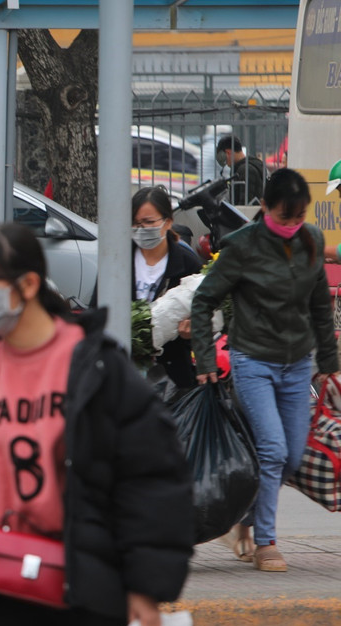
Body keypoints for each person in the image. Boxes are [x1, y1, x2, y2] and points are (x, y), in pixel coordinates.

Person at [0, 222, 193, 626]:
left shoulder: (95, 368)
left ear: (29, 284)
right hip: (3, 584)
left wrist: (147, 586)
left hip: (90, 585)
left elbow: (153, 477)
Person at [191, 168, 338, 573]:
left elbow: (320, 306)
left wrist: (329, 364)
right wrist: (205, 359)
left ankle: (245, 516)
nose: (291, 225)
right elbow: (203, 301)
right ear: (264, 207)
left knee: (290, 455)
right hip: (253, 361)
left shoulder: (312, 239)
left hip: (297, 366)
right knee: (272, 449)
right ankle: (267, 542)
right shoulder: (241, 246)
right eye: (282, 217)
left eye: (297, 217)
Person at [131, 186, 204, 391]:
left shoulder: (187, 263)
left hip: (170, 376)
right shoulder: (119, 258)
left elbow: (205, 317)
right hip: (123, 370)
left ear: (167, 222)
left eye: (149, 222)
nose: (142, 229)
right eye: (136, 223)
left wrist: (192, 331)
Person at [216, 135, 266, 205]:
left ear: (228, 152)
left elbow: (245, 203)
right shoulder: (252, 165)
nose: (226, 163)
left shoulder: (245, 170)